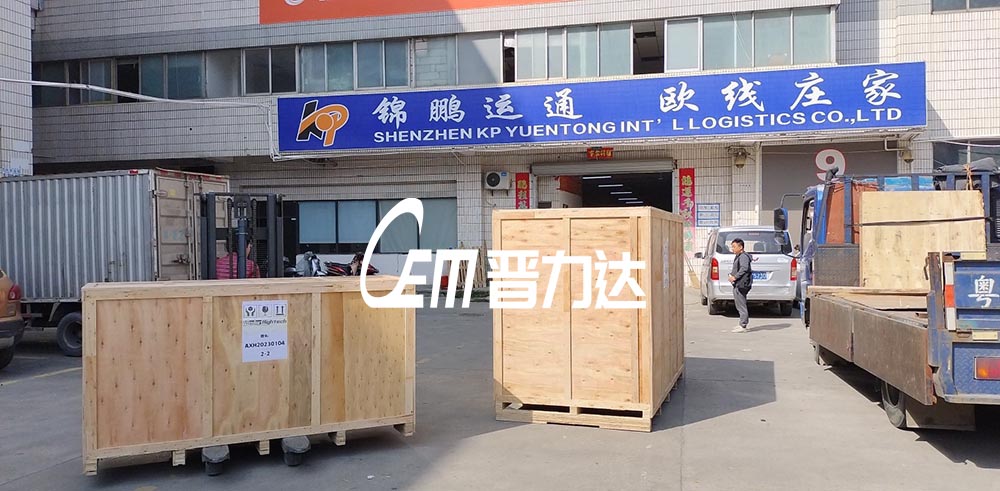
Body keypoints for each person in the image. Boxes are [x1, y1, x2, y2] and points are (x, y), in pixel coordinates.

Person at [728, 238, 753, 333]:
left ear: (741, 247)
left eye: (734, 247)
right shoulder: (739, 256)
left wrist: (735, 277)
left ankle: (743, 325)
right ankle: (742, 323)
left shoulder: (743, 257)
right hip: (738, 283)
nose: (732, 249)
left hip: (741, 284)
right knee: (739, 304)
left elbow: (744, 268)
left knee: (741, 304)